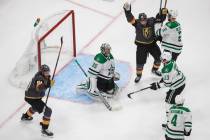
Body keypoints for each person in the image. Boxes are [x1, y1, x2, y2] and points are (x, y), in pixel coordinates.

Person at [123, 2, 168, 83]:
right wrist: (127, 11)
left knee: (159, 58)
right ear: (139, 20)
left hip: (152, 44)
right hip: (141, 46)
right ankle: (139, 75)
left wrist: (163, 13)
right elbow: (130, 19)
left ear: (146, 19)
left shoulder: (151, 20)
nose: (143, 22)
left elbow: (160, 19)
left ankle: (154, 70)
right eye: (142, 20)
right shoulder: (136, 23)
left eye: (144, 20)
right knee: (140, 63)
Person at [149, 51, 186, 128]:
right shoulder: (172, 61)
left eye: (162, 59)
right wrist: (162, 80)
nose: (161, 60)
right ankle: (178, 114)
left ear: (165, 60)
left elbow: (167, 84)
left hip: (176, 86)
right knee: (172, 100)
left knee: (168, 103)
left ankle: (170, 122)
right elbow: (170, 76)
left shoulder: (166, 70)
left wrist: (157, 86)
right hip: (182, 81)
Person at [21, 64, 55, 137]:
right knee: (48, 111)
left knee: (36, 107)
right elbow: (39, 88)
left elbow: (45, 83)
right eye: (46, 73)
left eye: (48, 72)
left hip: (32, 97)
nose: (47, 74)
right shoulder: (39, 78)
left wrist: (48, 83)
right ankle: (44, 130)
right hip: (32, 97)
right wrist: (48, 85)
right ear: (42, 72)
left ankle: (26, 116)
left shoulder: (44, 76)